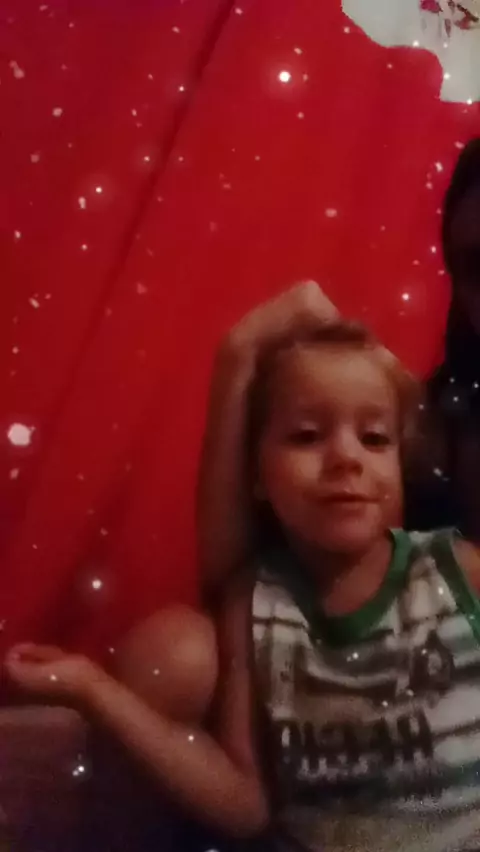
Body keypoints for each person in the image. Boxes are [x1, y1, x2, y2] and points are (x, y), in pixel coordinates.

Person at [7, 317, 480, 851]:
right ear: (256, 475)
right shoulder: (254, 603)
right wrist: (92, 688)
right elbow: (244, 806)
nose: (347, 458)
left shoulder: (456, 570)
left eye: (374, 438)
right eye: (306, 436)